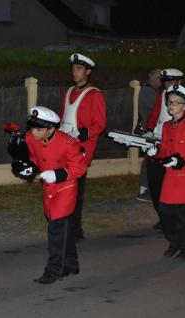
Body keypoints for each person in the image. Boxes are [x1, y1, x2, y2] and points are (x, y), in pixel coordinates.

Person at [25, 106, 88, 284]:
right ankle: (71, 264)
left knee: (56, 231)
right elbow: (33, 158)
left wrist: (58, 174)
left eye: (38, 129)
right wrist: (28, 169)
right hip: (48, 189)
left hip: (65, 189)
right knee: (62, 230)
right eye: (32, 127)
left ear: (51, 129)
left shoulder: (68, 142)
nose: (33, 132)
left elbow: (80, 167)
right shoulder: (31, 138)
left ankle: (54, 270)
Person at [149, 84, 185, 259]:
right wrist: (155, 152)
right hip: (170, 180)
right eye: (170, 102)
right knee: (165, 214)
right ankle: (174, 242)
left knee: (184, 219)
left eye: (176, 102)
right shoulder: (165, 126)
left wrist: (180, 161)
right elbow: (164, 150)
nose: (171, 106)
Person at [59, 53, 106, 241]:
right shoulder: (69, 91)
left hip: (81, 150)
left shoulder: (95, 95)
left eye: (79, 69)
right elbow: (63, 117)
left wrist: (81, 134)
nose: (74, 72)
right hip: (64, 148)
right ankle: (64, 224)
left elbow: (99, 124)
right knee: (63, 188)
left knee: (76, 192)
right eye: (73, 68)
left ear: (88, 71)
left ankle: (75, 230)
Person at [135, 69, 162, 203]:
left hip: (148, 130)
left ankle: (145, 189)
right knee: (149, 160)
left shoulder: (147, 91)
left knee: (150, 159)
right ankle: (145, 190)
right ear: (155, 80)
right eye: (160, 79)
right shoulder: (149, 92)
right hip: (148, 131)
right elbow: (157, 110)